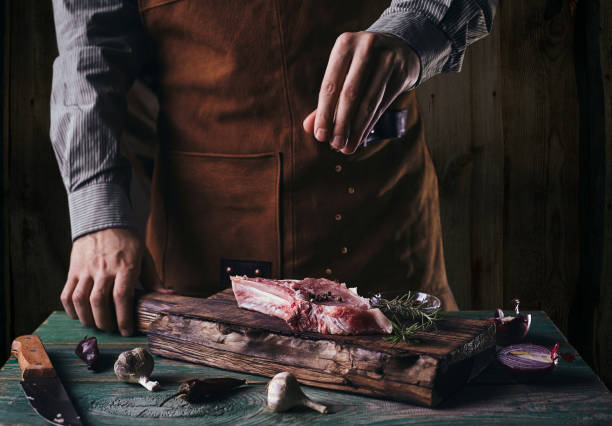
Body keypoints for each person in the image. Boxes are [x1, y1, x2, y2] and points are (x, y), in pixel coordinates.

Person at [50, 0, 497, 336]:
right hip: (206, 234)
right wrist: (97, 208)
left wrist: (413, 31)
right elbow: (88, 49)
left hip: (376, 215)